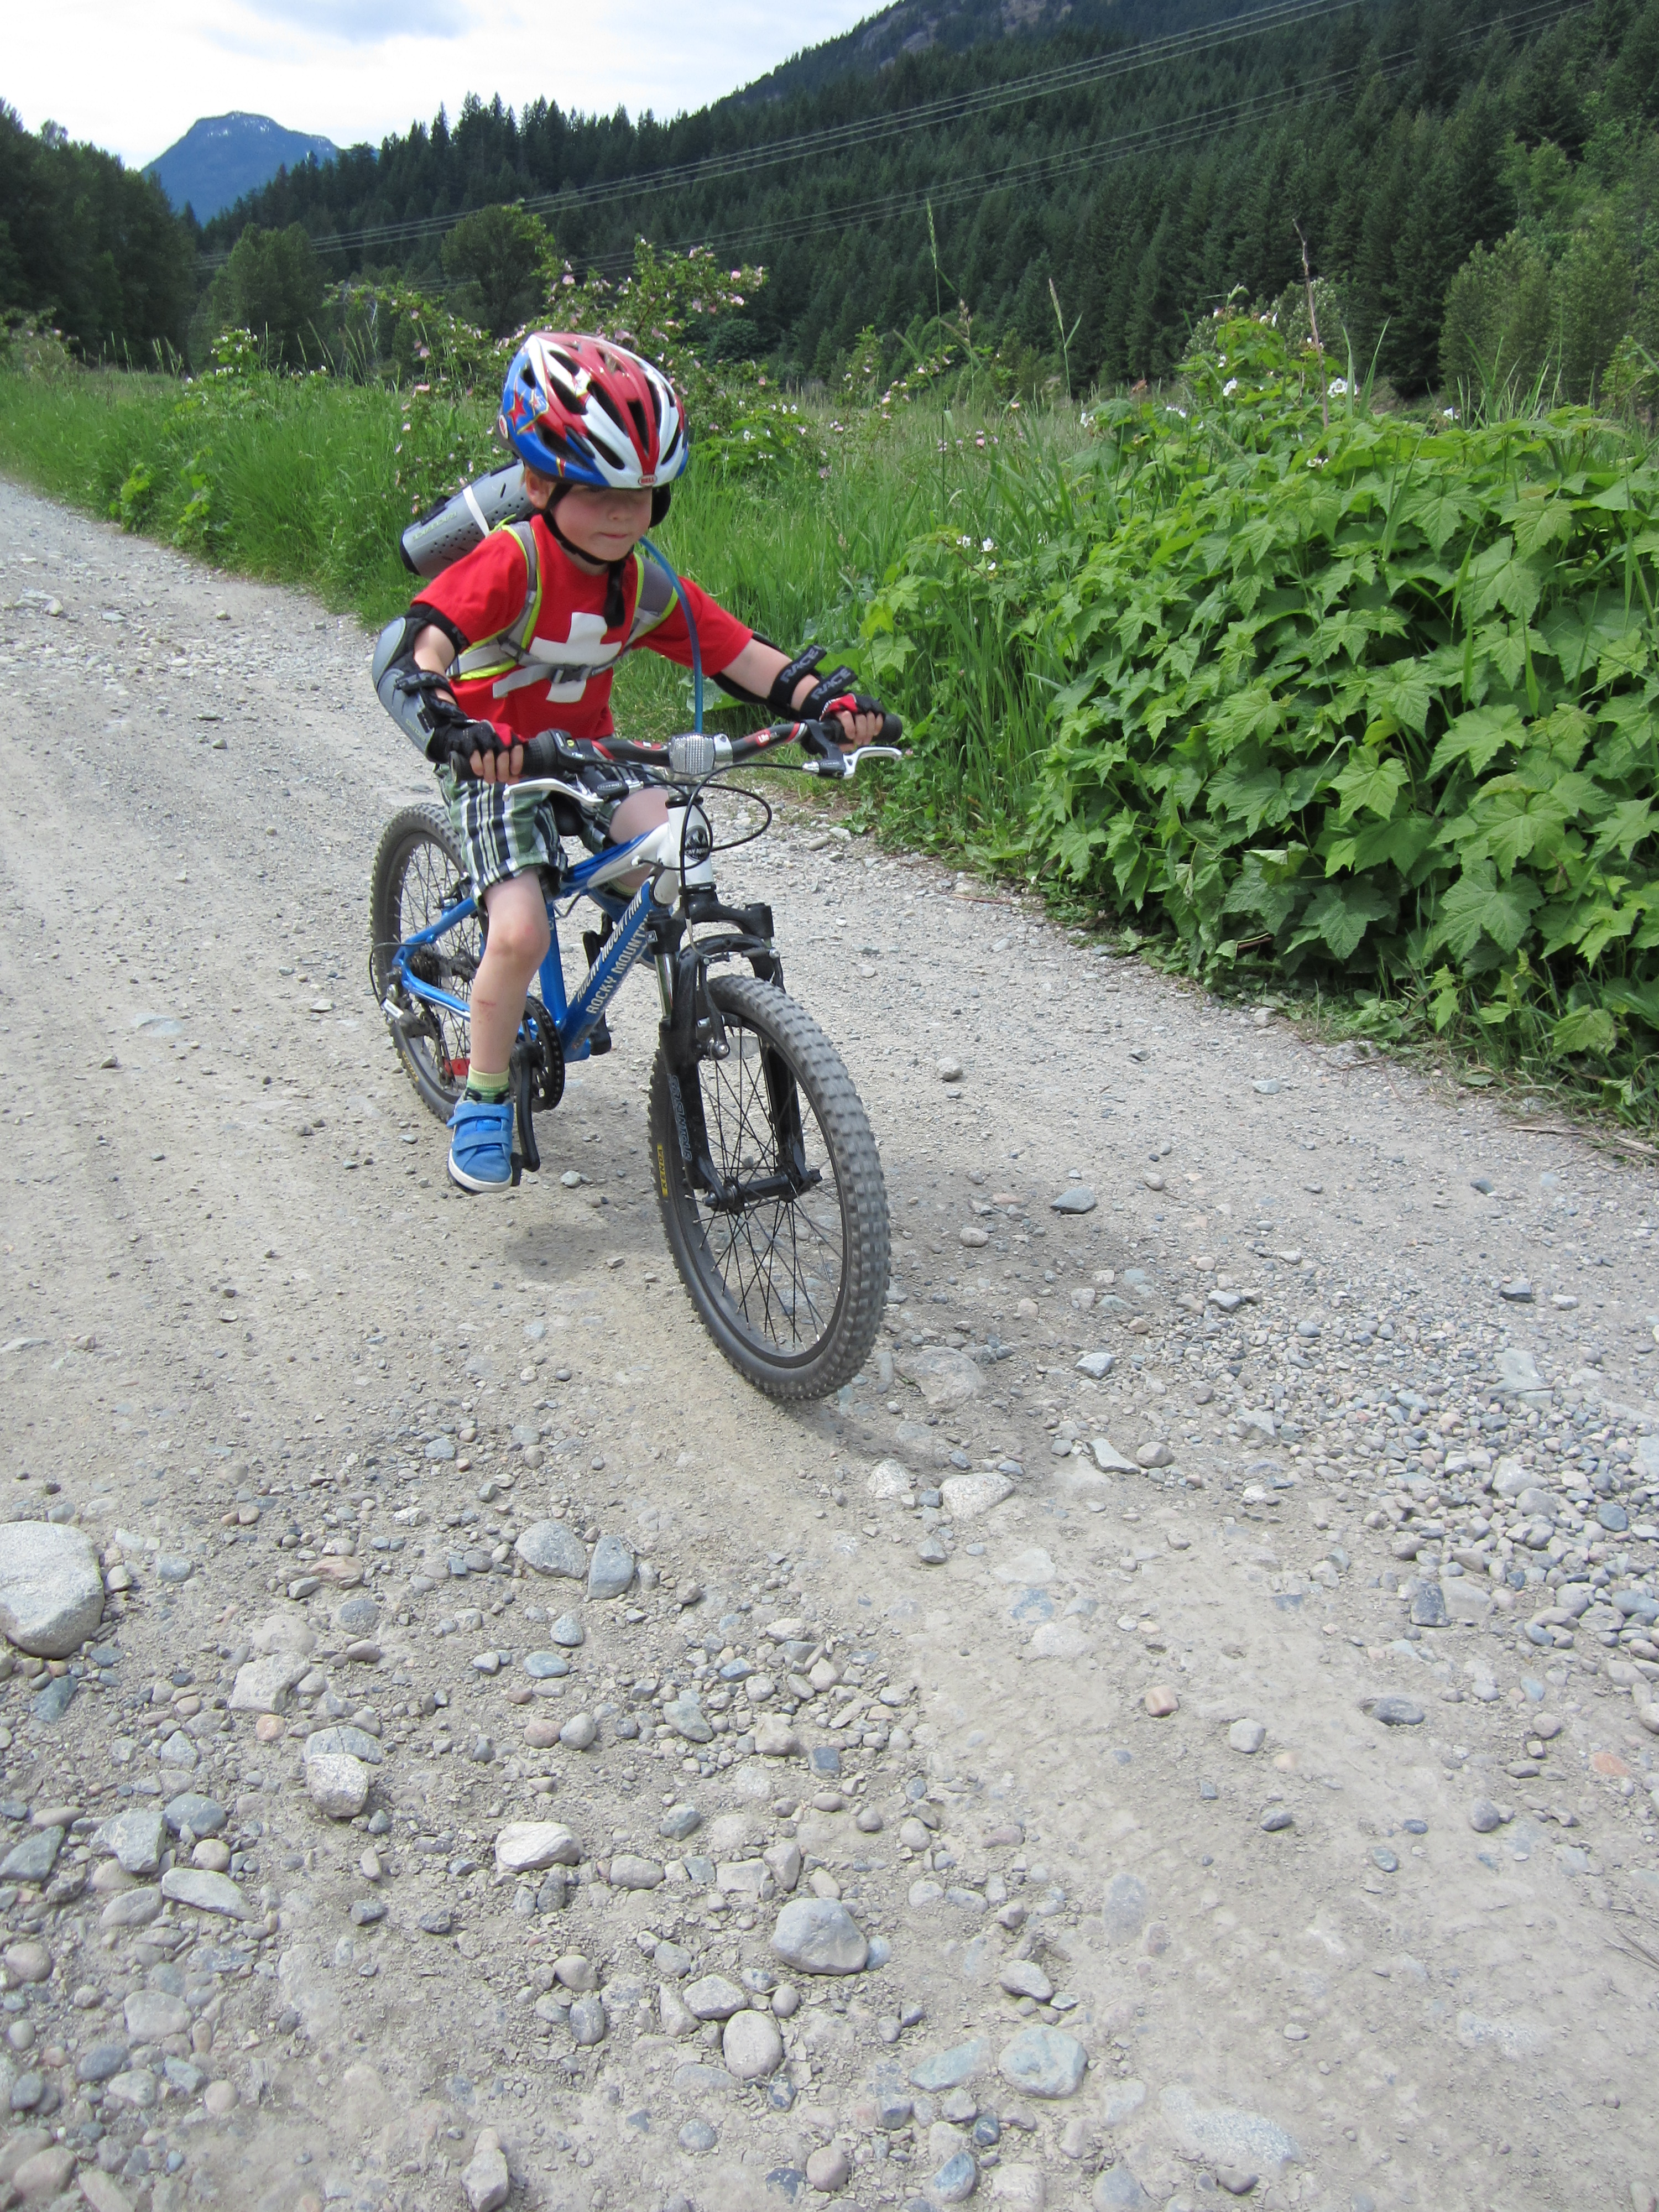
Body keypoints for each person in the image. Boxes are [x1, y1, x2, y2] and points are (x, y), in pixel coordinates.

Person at [374, 331, 886, 1194]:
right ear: (540, 485)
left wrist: (823, 706)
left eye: (642, 496)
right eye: (601, 494)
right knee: (521, 930)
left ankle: (623, 936)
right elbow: (425, 643)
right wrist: (451, 721)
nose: (623, 515)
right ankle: (486, 1098)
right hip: (499, 764)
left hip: (589, 756)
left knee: (677, 842)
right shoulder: (514, 561)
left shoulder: (641, 583)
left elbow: (740, 655)